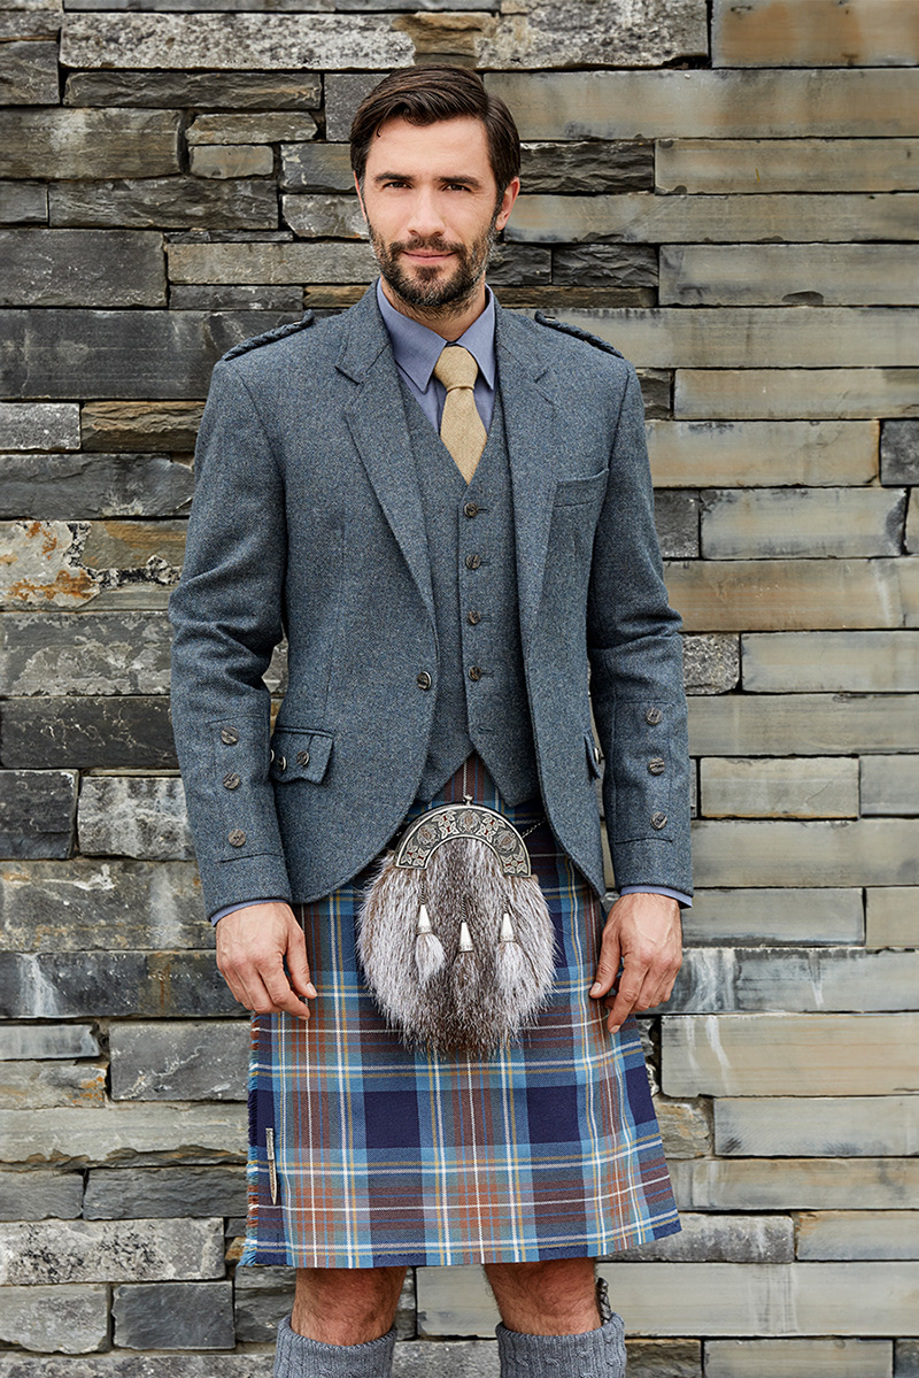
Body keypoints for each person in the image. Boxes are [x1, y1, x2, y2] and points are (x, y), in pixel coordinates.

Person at [169, 64, 692, 1378]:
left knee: (556, 1275)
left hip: (551, 865)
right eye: (397, 184)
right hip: (341, 875)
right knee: (344, 1288)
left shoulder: (589, 392)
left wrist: (658, 880)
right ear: (362, 201)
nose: (424, 214)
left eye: (454, 184)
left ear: (504, 200)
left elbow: (634, 641)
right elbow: (216, 646)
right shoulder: (273, 394)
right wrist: (243, 884)